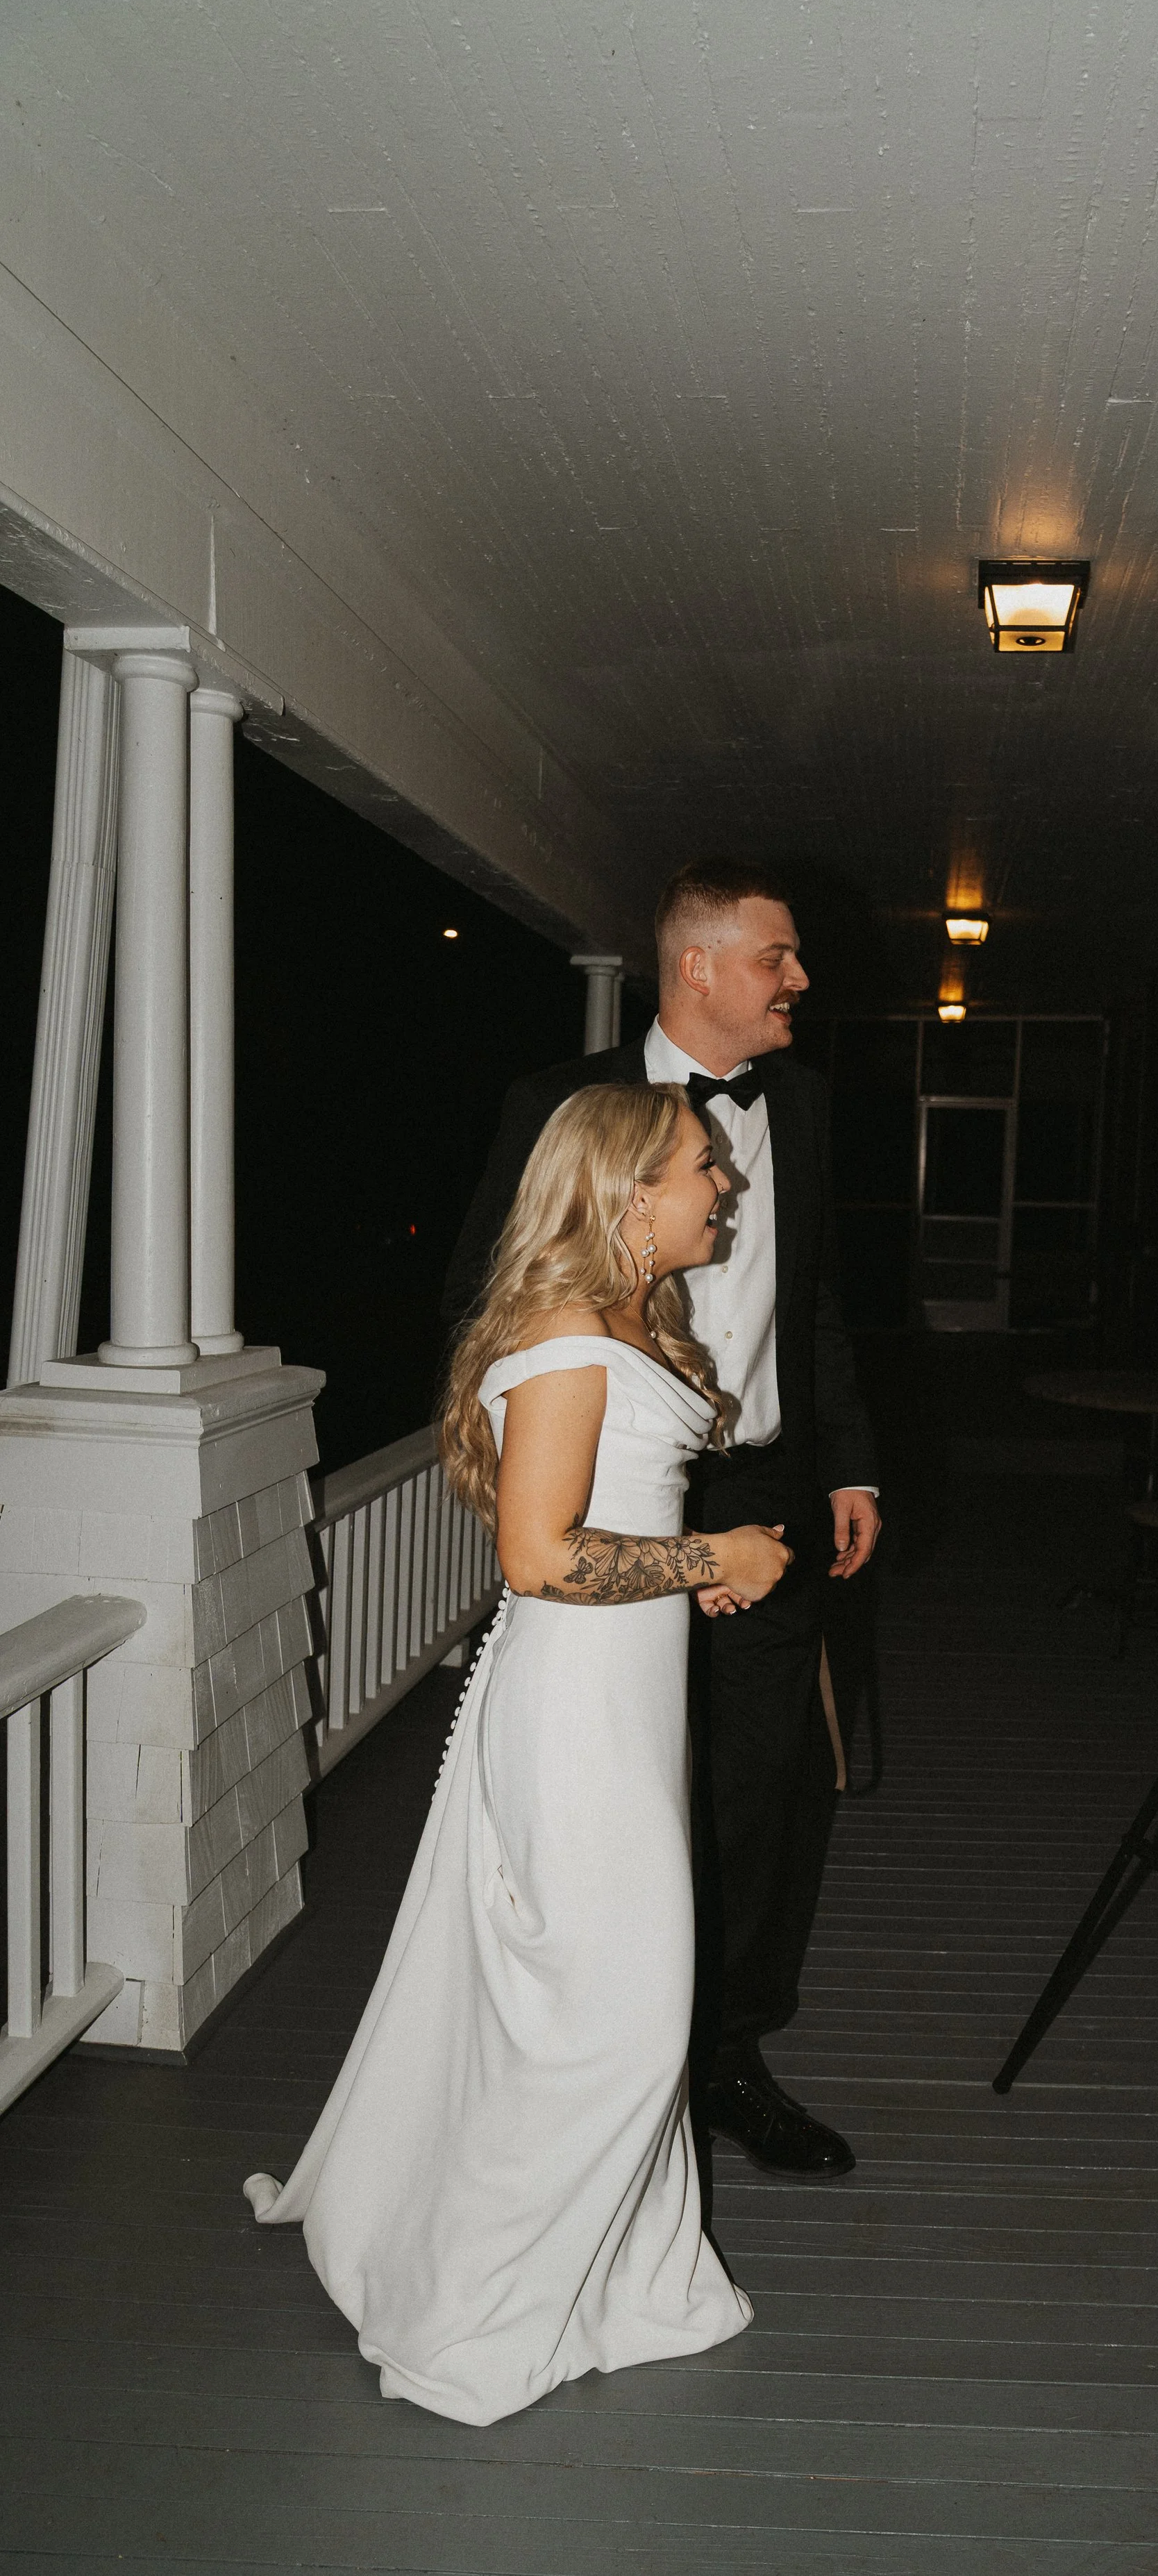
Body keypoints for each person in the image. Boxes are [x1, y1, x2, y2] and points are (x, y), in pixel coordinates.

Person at [244, 1082, 789, 2424]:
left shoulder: (623, 1318)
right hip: (575, 1721)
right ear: (622, 1195)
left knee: (604, 2012)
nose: (721, 1185)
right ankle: (472, 2307)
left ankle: (614, 2279)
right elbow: (540, 1557)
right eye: (697, 1167)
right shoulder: (559, 1339)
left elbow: (607, 1525)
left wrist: (680, 1573)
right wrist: (712, 1555)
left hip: (625, 1703)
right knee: (616, 2022)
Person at [442, 858, 879, 2179]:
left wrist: (850, 1465)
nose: (799, 981)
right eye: (777, 958)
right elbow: (484, 1302)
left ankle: (726, 2057)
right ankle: (595, 2055)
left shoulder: (800, 1109)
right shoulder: (556, 1105)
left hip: (761, 1487)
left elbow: (819, 1306)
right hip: (611, 1491)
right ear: (698, 967)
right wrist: (553, 1475)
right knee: (621, 1783)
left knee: (760, 1787)